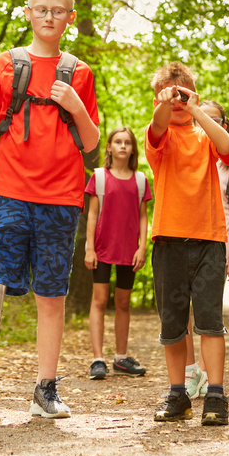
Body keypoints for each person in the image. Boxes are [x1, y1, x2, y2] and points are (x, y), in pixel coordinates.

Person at [0, 0, 100, 424]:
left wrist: (76, 105)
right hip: (10, 192)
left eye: (58, 11)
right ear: (28, 13)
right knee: (3, 281)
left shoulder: (79, 72)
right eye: (41, 9)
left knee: (52, 294)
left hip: (62, 198)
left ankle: (46, 387)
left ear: (70, 18)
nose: (49, 17)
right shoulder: (5, 65)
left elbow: (92, 143)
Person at [145, 62, 229, 426]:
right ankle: (177, 394)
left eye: (183, 93)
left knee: (210, 322)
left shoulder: (205, 137)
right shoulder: (159, 135)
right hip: (169, 241)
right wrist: (166, 104)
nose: (178, 101)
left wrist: (196, 108)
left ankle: (215, 395)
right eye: (171, 94)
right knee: (172, 324)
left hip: (209, 240)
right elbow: (156, 127)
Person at [182, 101, 229, 399]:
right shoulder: (185, 154)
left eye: (214, 119)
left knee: (208, 311)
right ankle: (189, 371)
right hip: (185, 238)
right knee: (182, 311)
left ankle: (207, 373)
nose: (206, 123)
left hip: (220, 242)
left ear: (224, 124)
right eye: (200, 118)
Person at [84, 127, 152, 380]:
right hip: (102, 249)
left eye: (127, 142)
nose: (123, 146)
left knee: (123, 303)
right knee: (99, 301)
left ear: (133, 149)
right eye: (118, 142)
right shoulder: (99, 177)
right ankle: (98, 359)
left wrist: (142, 247)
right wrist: (89, 248)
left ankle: (121, 358)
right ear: (110, 147)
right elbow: (92, 215)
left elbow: (144, 217)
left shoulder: (140, 180)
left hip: (128, 250)